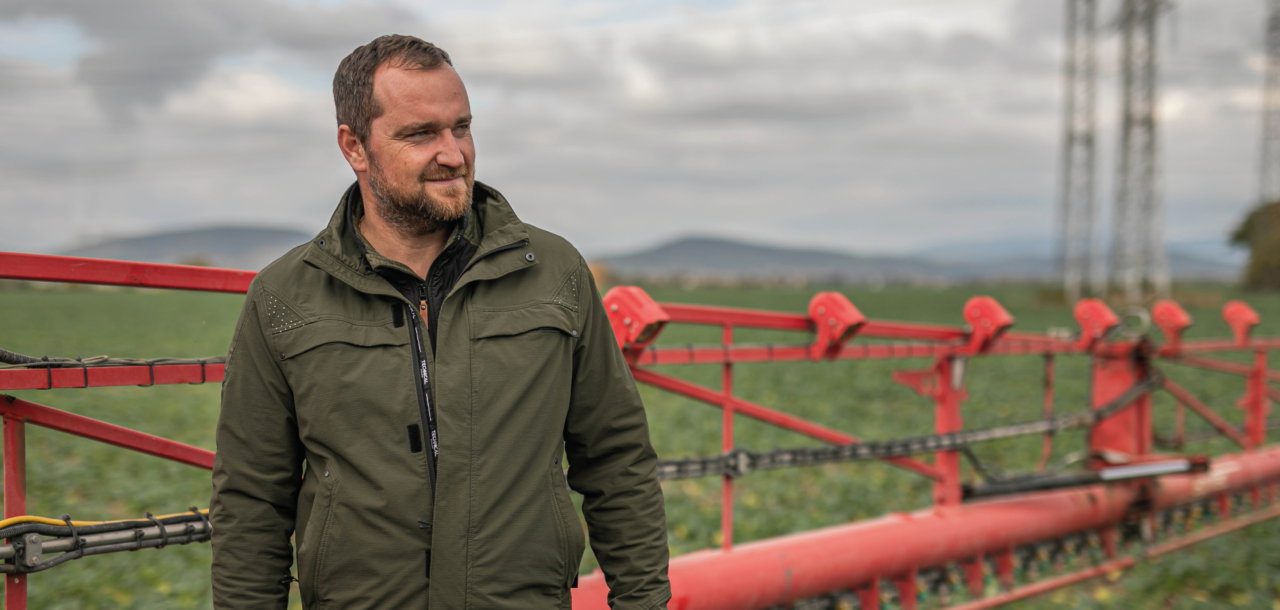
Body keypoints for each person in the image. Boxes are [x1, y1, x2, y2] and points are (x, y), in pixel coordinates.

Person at [209, 34, 671, 610]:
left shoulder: (555, 273)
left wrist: (643, 603)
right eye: (421, 134)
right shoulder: (283, 297)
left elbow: (616, 460)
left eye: (462, 127)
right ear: (355, 146)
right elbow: (253, 499)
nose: (454, 153)